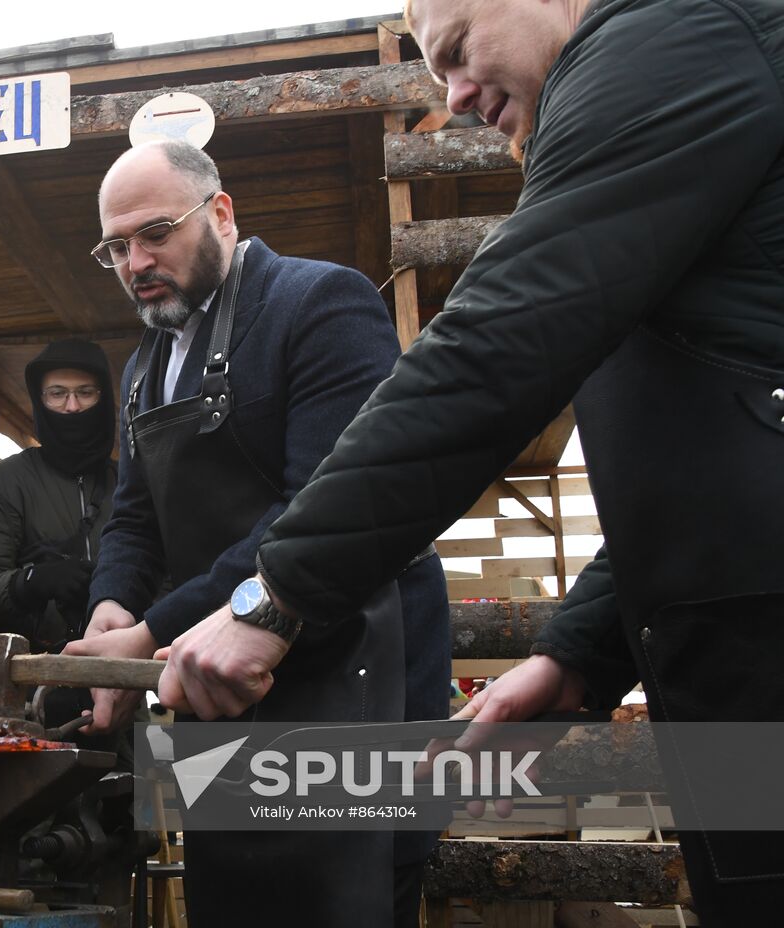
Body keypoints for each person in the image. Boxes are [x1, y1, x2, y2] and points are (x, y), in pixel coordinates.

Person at [158, 0, 784, 922]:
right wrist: (582, 647)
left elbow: (495, 349)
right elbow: (733, 423)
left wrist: (276, 590)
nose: (450, 97)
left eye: (455, 51)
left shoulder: (672, 31)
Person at [66, 139, 450, 927]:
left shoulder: (321, 304)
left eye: (154, 233)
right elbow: (136, 513)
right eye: (116, 248)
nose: (135, 261)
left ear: (221, 213)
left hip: (351, 668)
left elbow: (318, 508)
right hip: (221, 684)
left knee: (344, 903)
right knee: (237, 900)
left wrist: (151, 633)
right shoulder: (146, 363)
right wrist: (113, 603)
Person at [0, 338, 117, 654]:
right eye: (57, 394)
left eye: (86, 393)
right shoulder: (3, 483)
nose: (72, 406)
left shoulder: (129, 483)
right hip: (21, 678)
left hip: (119, 674)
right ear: (40, 399)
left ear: (104, 399)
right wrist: (29, 582)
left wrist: (121, 603)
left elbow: (164, 578)